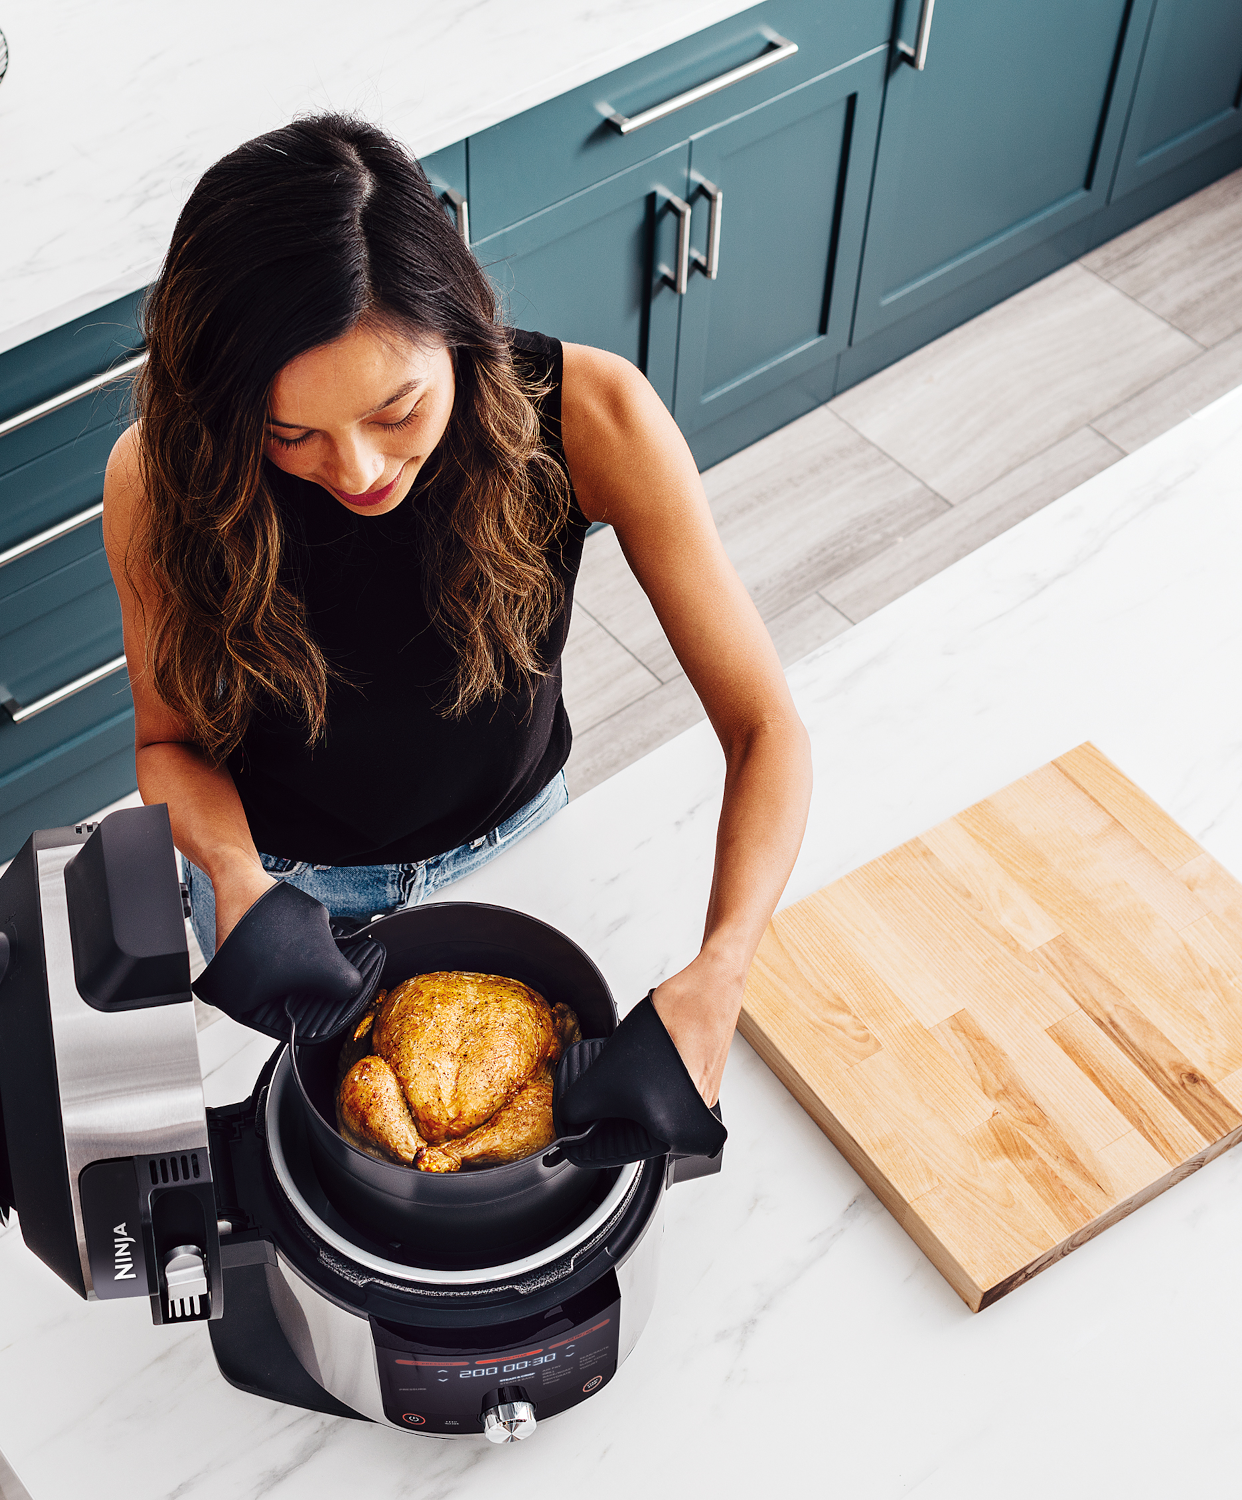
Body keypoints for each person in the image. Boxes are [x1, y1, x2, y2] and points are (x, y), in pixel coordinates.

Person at [103, 113, 811, 1114]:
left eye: (396, 411)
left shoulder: (592, 415)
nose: (354, 469)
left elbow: (764, 727)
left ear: (461, 322)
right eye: (290, 433)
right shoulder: (158, 481)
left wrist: (725, 962)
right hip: (281, 897)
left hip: (521, 853)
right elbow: (167, 745)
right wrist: (231, 873)